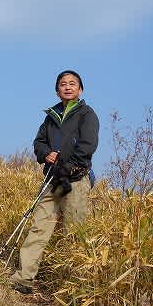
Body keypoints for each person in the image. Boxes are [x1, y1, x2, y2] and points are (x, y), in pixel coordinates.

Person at [10, 70, 99, 294]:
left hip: (76, 180)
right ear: (57, 90)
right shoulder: (50, 117)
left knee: (75, 232)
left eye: (72, 83)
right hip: (52, 180)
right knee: (39, 227)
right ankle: (23, 279)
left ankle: (78, 287)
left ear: (80, 89)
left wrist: (69, 166)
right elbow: (39, 142)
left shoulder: (87, 114)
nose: (67, 87)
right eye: (63, 84)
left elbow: (88, 145)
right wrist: (45, 153)